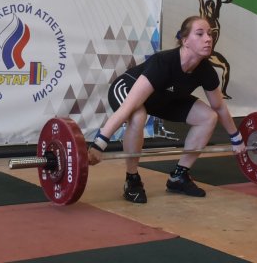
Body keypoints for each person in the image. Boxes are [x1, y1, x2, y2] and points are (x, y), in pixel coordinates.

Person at [87, 16, 246, 204]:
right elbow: (128, 107)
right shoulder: (163, 62)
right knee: (138, 116)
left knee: (207, 117)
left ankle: (179, 177)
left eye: (210, 34)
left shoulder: (206, 70)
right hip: (127, 89)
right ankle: (132, 180)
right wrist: (99, 144)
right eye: (200, 34)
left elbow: (218, 106)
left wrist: (237, 139)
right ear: (185, 41)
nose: (208, 38)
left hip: (163, 98)